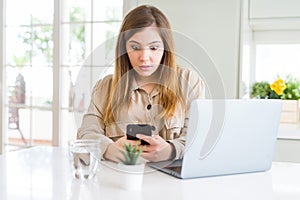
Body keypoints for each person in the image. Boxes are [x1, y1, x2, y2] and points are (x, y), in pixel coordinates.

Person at [77, 5, 205, 163]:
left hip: (173, 184)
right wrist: (109, 149)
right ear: (124, 48)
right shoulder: (105, 87)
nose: (144, 57)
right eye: (135, 47)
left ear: (165, 48)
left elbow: (198, 137)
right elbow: (87, 133)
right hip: (117, 181)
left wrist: (171, 150)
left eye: (153, 48)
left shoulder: (189, 82)